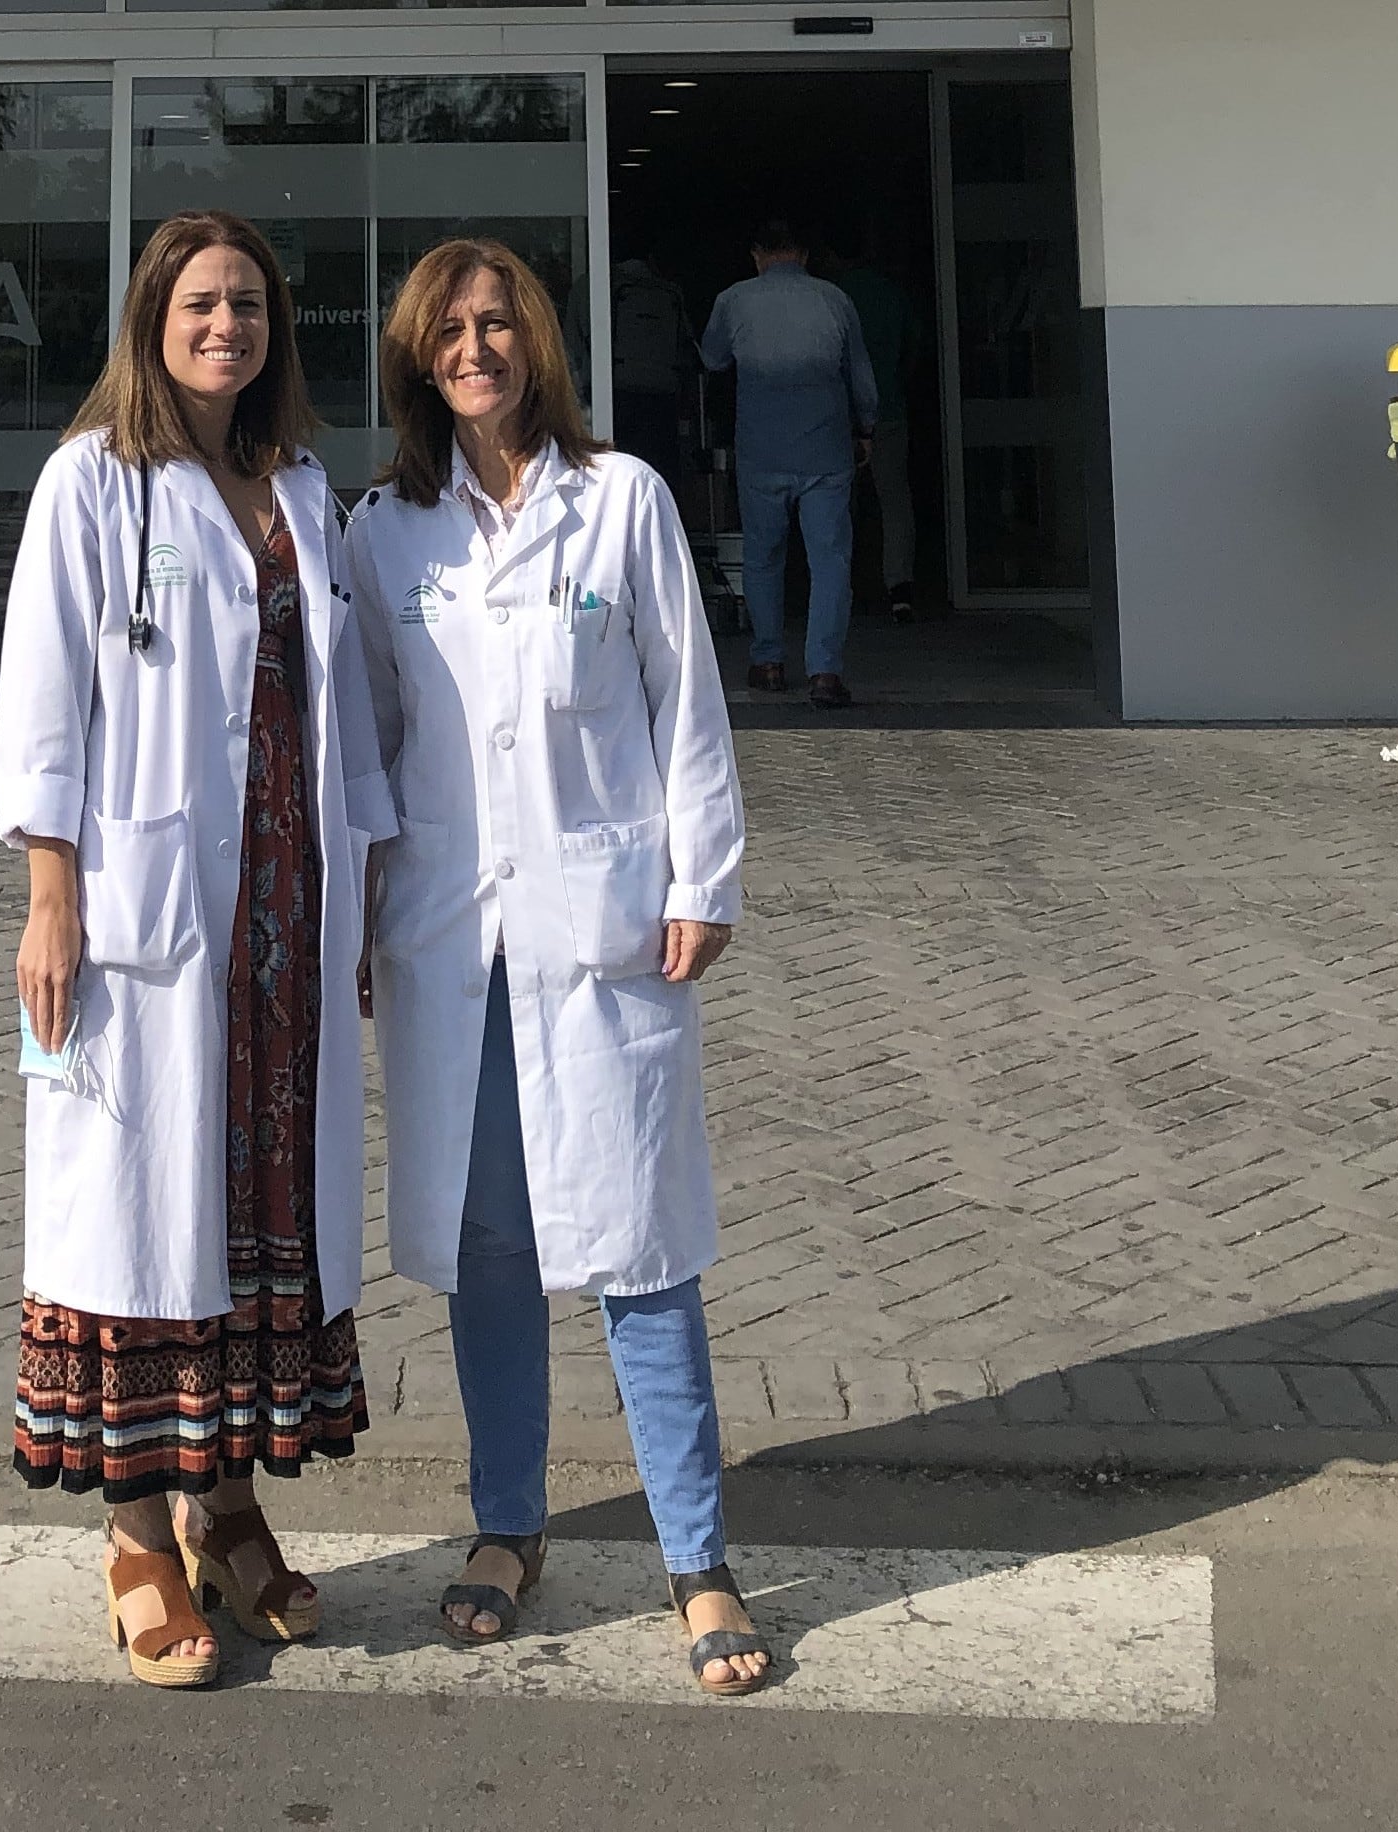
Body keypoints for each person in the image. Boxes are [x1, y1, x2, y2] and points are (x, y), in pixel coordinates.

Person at [345, 239, 769, 1696]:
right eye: (450, 331)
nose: (477, 348)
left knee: (643, 1253)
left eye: (498, 323)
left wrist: (703, 877)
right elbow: (366, 749)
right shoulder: (386, 532)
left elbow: (686, 701)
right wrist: (354, 915)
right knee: (490, 1256)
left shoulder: (624, 501)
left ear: (537, 342)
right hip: (452, 944)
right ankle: (506, 1527)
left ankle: (698, 1557)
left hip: (603, 936)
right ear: (418, 359)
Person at [0, 209, 394, 1691]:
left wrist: (364, 889)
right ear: (153, 320)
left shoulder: (297, 484)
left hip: (289, 910)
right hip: (147, 914)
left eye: (250, 304)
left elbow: (343, 709)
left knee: (250, 1208)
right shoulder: (91, 482)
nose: (228, 324)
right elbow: (43, 702)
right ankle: (139, 1539)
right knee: (135, 1220)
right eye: (201, 303)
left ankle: (232, 1508)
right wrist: (51, 894)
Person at [699, 218, 877, 710]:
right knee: (830, 560)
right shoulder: (834, 300)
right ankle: (824, 672)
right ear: (803, 255)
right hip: (826, 450)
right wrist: (866, 428)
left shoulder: (733, 300)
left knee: (762, 556)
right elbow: (860, 375)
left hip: (761, 450)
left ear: (758, 255)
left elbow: (712, 359)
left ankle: (769, 661)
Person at [828, 228, 917, 624]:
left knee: (838, 504)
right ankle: (900, 589)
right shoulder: (890, 292)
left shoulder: (831, 297)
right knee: (895, 501)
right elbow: (914, 345)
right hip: (890, 409)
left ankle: (839, 588)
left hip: (838, 416)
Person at [609, 252, 694, 500]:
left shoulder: (597, 285)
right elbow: (686, 345)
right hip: (662, 392)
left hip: (618, 391)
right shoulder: (669, 291)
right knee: (661, 472)